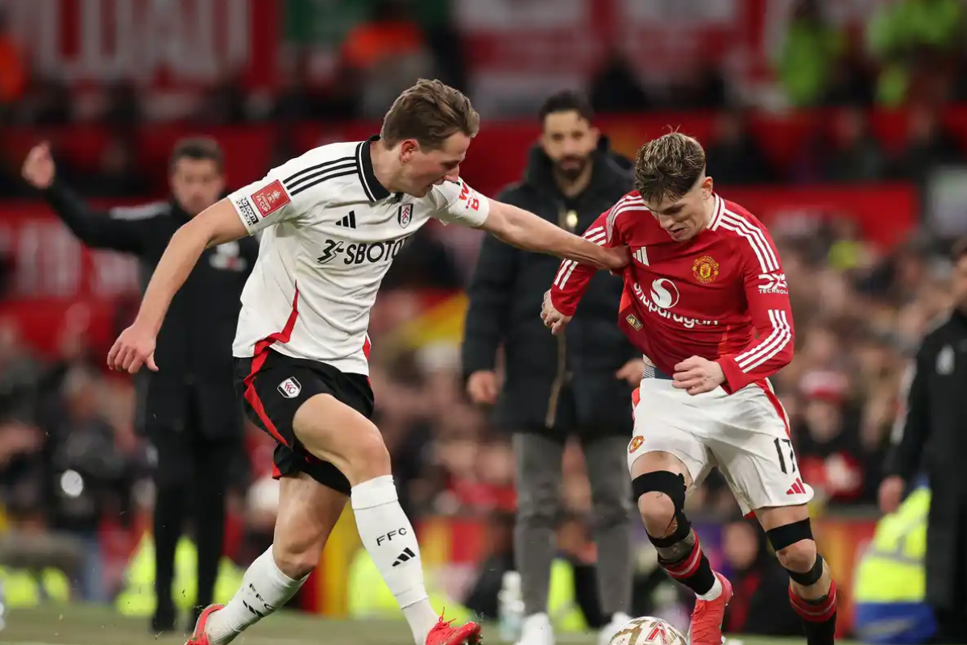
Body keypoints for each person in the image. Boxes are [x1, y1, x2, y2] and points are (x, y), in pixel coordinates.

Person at [105, 79, 628, 645]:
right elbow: (198, 228)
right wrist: (145, 324)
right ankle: (429, 627)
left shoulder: (432, 191)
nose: (455, 176)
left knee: (297, 554)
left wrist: (599, 256)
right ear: (408, 149)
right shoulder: (313, 178)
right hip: (274, 357)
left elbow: (508, 221)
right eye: (448, 162)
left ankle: (212, 631)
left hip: (346, 372)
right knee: (369, 449)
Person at [541, 132, 838, 645]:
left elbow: (782, 337)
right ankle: (708, 594)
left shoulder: (747, 239)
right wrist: (563, 297)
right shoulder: (631, 212)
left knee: (799, 556)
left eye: (677, 208)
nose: (667, 222)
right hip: (667, 387)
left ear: (708, 187)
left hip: (741, 395)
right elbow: (585, 246)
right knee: (656, 508)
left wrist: (724, 369)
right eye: (658, 212)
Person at [21, 138, 256, 633]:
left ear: (220, 181)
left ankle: (208, 609)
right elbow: (92, 228)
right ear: (173, 180)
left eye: (205, 181)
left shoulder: (244, 233)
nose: (196, 190)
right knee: (170, 490)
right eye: (187, 180)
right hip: (165, 389)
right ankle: (164, 602)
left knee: (214, 500)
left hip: (223, 392)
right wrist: (52, 188)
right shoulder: (155, 226)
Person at [462, 90, 639, 645]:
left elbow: (654, 281)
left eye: (575, 135)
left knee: (614, 500)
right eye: (556, 137)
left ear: (593, 135)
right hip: (534, 372)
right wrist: (477, 362)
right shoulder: (516, 200)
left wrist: (647, 355)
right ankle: (535, 617)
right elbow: (487, 291)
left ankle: (617, 617)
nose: (566, 147)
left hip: (612, 370)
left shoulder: (629, 199)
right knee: (535, 502)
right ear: (544, 140)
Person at [879, 237, 967, 644]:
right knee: (948, 601)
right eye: (964, 274)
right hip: (950, 498)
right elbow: (912, 417)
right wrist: (897, 471)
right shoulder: (936, 343)